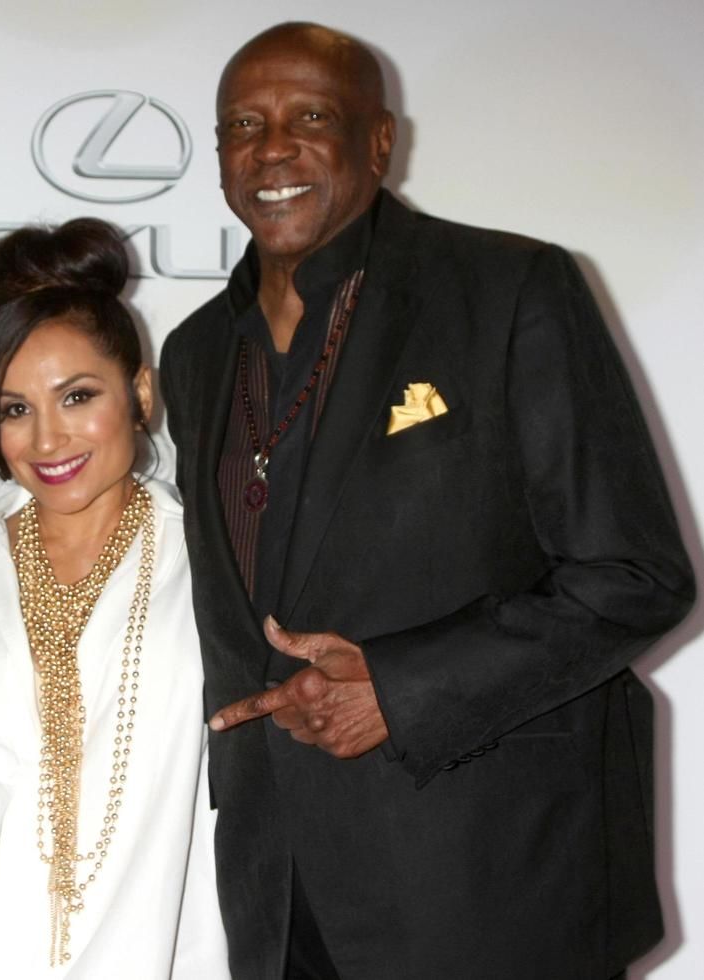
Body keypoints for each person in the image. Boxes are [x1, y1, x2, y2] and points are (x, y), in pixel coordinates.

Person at [159, 21, 695, 980]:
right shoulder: (196, 351)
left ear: (378, 141)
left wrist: (399, 697)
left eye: (308, 116)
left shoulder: (508, 288)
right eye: (242, 124)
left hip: (486, 884)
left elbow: (636, 576)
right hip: (278, 893)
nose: (270, 147)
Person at [0, 218, 229, 978]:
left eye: (77, 396)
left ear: (139, 392)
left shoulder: (213, 565)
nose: (47, 440)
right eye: (14, 409)